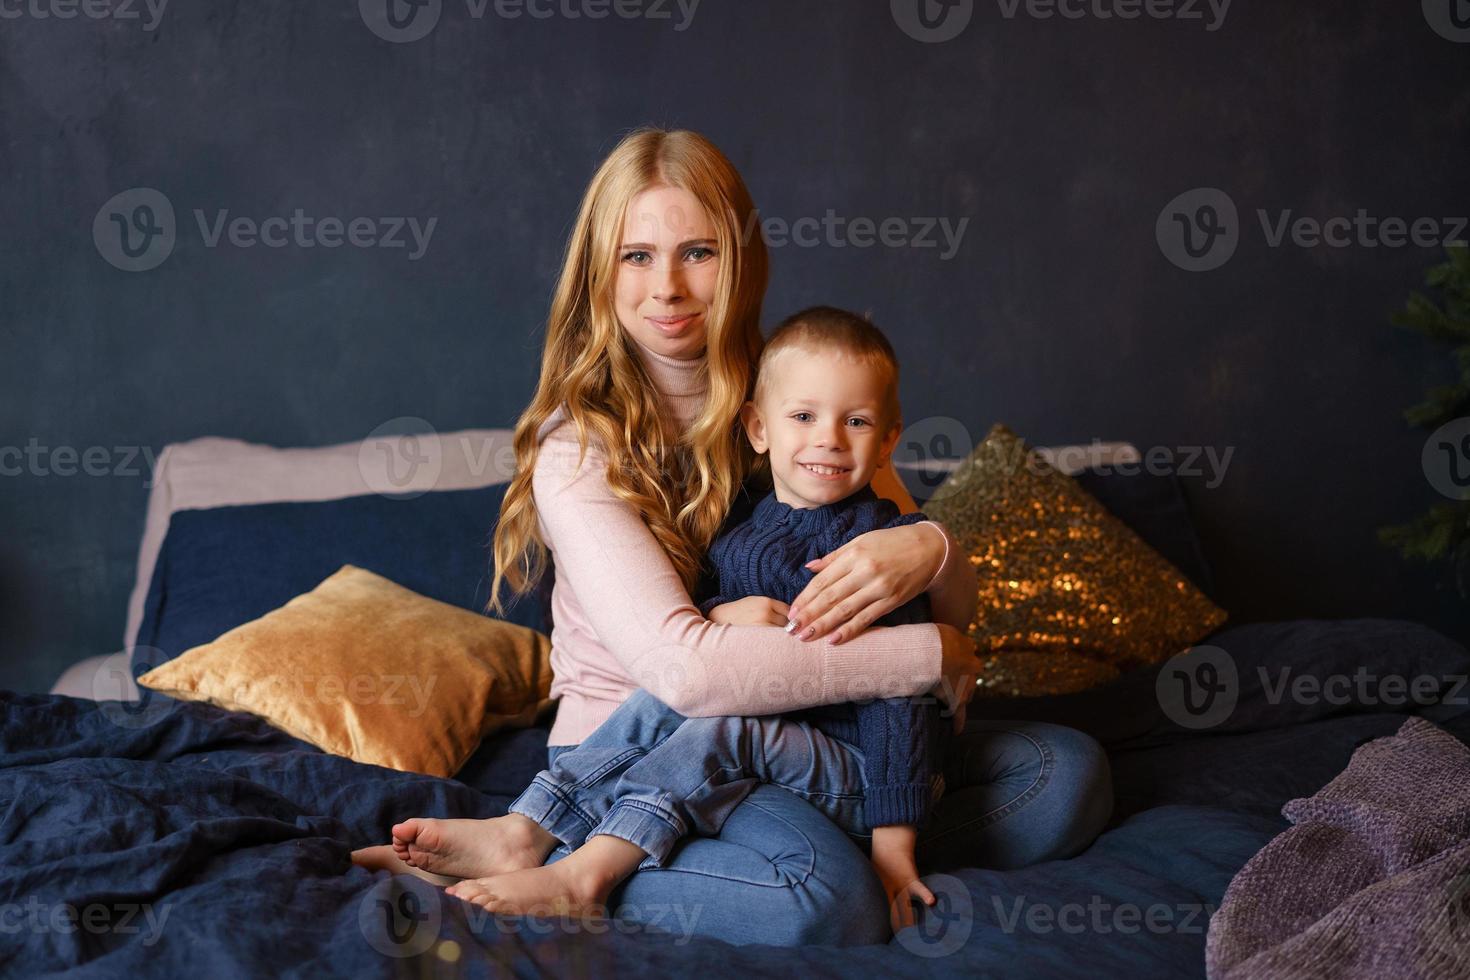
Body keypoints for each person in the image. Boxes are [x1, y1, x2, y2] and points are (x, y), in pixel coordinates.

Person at [353, 127, 1113, 947]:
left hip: (826, 733)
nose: (668, 287)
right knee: (824, 900)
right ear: (598, 271)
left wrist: (931, 549)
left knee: (1065, 777)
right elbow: (689, 675)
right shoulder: (577, 446)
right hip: (646, 746)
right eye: (636, 255)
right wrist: (926, 656)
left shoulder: (796, 387)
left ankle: (842, 832)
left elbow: (953, 613)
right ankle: (587, 848)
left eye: (698, 252)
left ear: (741, 258)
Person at [434, 306, 951, 932]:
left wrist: (893, 850)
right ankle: (532, 824)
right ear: (758, 428)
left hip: (856, 764)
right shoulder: (742, 529)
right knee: (669, 706)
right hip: (756, 744)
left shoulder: (874, 548)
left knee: (728, 727)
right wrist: (719, 614)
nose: (829, 440)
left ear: (889, 439)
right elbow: (694, 649)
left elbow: (904, 699)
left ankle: (586, 871)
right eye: (804, 417)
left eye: (857, 421)